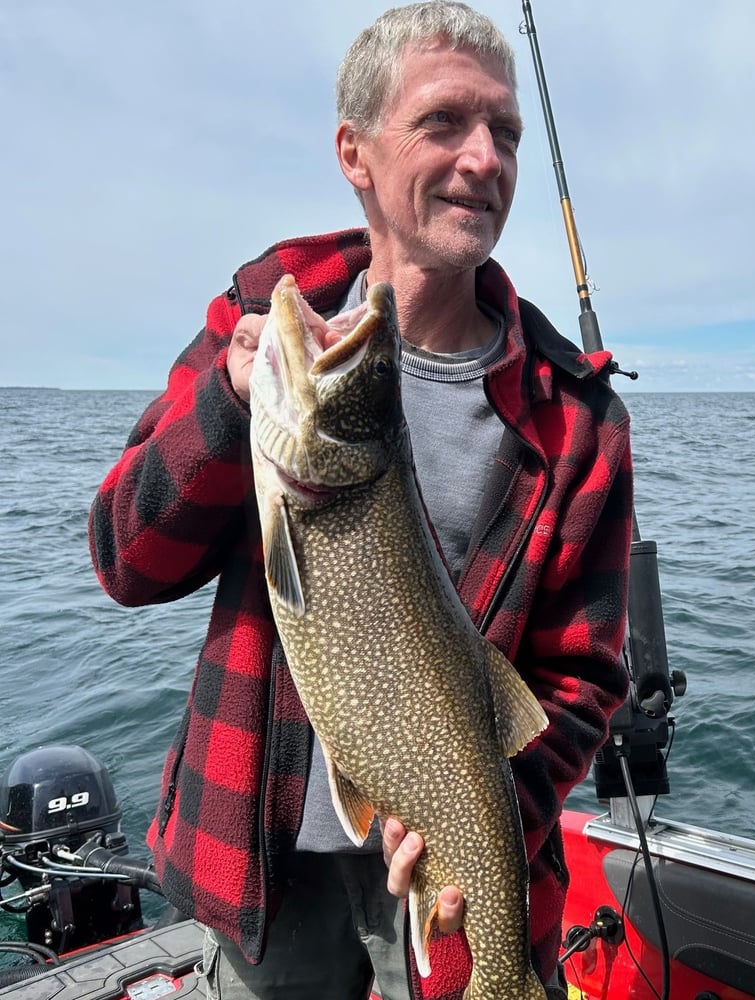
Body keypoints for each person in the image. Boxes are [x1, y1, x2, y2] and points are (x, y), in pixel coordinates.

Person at [88, 3, 633, 998]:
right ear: (356, 151)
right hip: (262, 853)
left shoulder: (577, 412)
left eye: (504, 132)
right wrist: (226, 400)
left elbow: (586, 672)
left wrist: (483, 814)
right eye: (444, 123)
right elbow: (125, 559)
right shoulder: (261, 329)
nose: (483, 157)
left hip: (459, 859)